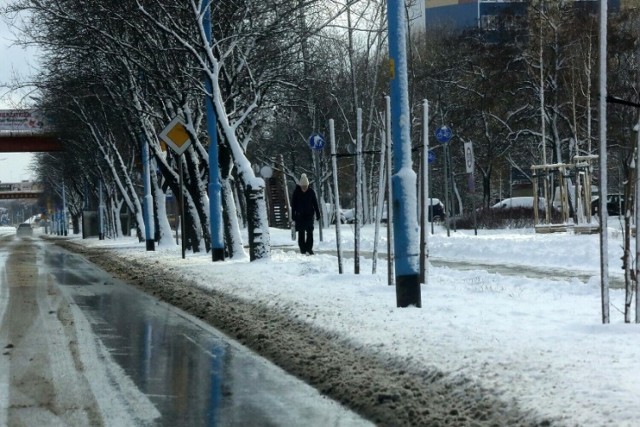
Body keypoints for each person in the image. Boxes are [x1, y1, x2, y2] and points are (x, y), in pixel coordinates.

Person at [291, 173, 320, 255]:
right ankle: (303, 249)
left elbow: (315, 203)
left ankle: (309, 249)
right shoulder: (296, 192)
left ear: (308, 185)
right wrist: (293, 216)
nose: (304, 188)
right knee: (301, 233)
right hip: (299, 216)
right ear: (300, 186)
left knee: (310, 233)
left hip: (309, 216)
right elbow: (293, 205)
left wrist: (318, 213)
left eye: (306, 187)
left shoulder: (311, 192)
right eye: (303, 187)